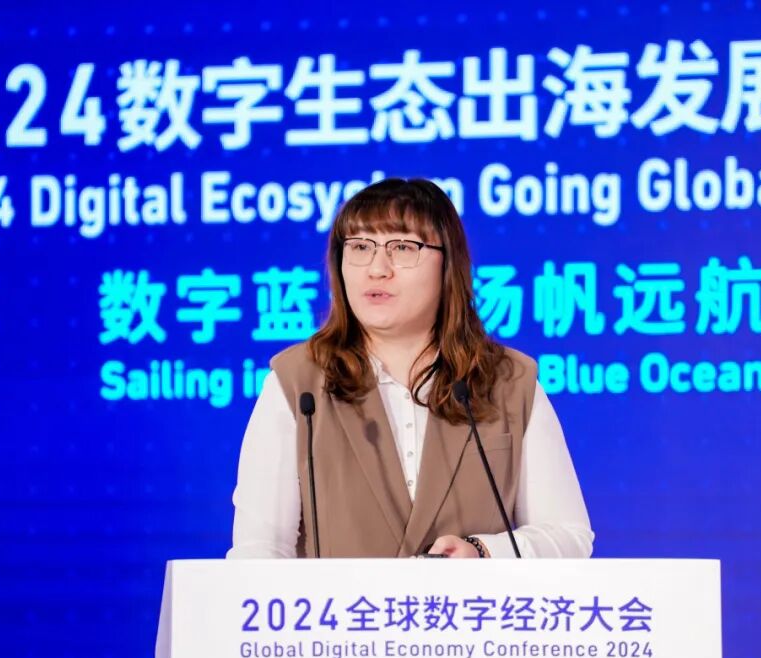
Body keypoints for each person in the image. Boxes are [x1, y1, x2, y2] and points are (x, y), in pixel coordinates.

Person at [228, 178, 593, 559]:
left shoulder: (509, 381)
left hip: (469, 600)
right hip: (337, 602)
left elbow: (569, 536)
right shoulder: (298, 383)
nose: (377, 269)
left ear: (448, 263)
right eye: (360, 247)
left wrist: (485, 551)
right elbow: (259, 549)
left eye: (402, 247)